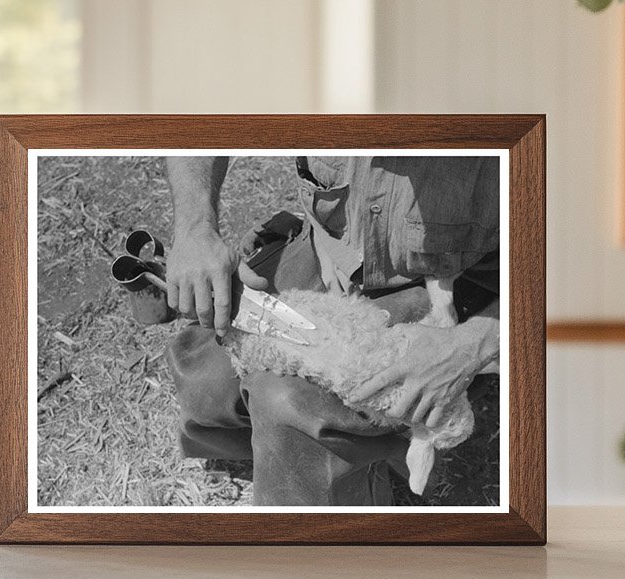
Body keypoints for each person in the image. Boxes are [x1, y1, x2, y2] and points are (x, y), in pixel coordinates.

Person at [164, 155, 501, 506]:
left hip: (460, 275)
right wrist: (195, 228)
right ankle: (341, 450)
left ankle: (332, 510)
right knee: (205, 374)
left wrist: (472, 344)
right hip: (335, 243)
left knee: (287, 404)